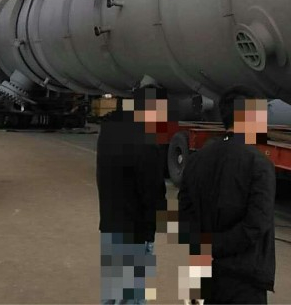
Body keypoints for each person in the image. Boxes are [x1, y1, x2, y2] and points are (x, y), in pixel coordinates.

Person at [178, 92, 276, 304]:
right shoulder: (259, 165)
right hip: (244, 278)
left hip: (206, 272)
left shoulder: (196, 160)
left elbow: (185, 214)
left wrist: (205, 247)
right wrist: (217, 247)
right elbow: (256, 225)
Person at [96, 87, 168, 304]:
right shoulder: (146, 141)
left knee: (112, 294)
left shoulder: (108, 132)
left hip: (110, 224)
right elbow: (152, 192)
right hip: (135, 232)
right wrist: (153, 228)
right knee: (132, 296)